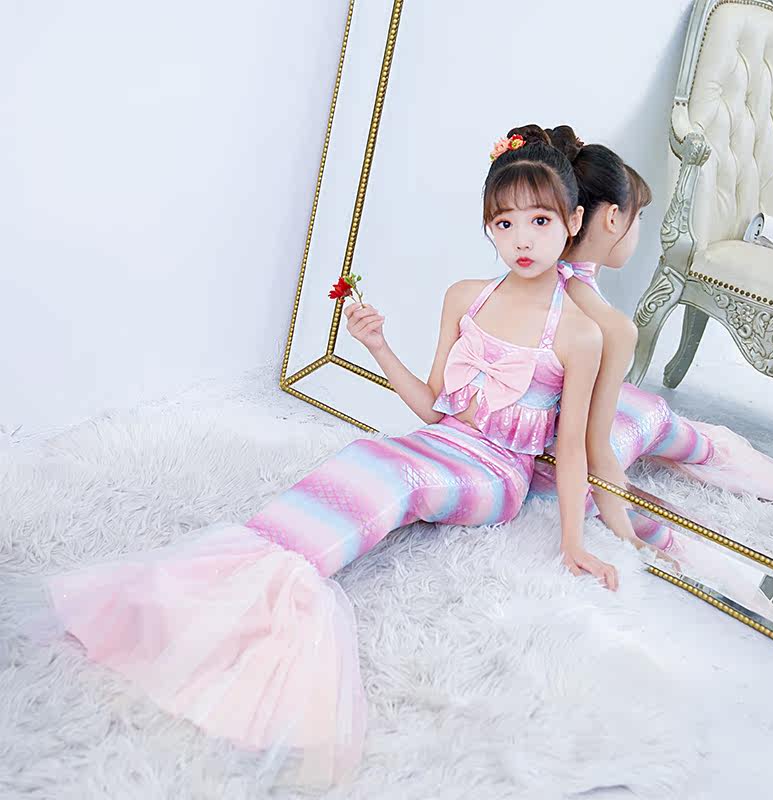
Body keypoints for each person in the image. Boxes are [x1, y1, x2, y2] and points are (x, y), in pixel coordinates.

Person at [38, 126, 614, 792]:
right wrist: (377, 345)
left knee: (401, 477)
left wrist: (573, 541)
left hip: (498, 474)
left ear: (573, 223)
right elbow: (433, 410)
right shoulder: (466, 296)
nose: (522, 239)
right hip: (443, 440)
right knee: (368, 452)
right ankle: (239, 569)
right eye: (505, 223)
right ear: (488, 227)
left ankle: (280, 593)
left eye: (540, 221)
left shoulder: (580, 333)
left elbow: (569, 447)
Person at [523, 123, 773, 553]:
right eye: (638, 218)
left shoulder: (534, 281)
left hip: (528, 440)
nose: (638, 229)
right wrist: (625, 522)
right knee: (667, 421)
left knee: (648, 409)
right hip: (561, 457)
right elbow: (595, 448)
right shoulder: (608, 323)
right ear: (613, 218)